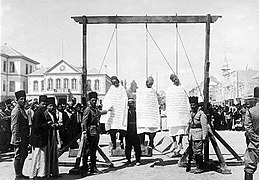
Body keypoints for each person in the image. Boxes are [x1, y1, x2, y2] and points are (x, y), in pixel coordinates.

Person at [81, 91, 112, 177]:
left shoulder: (95, 109)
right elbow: (84, 122)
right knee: (87, 151)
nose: (94, 102)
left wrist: (108, 110)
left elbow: (101, 112)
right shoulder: (88, 109)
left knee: (93, 150)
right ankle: (84, 168)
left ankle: (93, 167)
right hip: (89, 132)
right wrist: (84, 132)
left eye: (95, 100)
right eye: (92, 100)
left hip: (95, 132)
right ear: (89, 101)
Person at [166, 74, 190, 155]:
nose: (177, 80)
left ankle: (180, 143)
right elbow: (168, 101)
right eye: (174, 79)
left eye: (177, 78)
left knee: (181, 129)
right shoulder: (169, 89)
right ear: (172, 80)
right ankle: (174, 142)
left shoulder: (183, 88)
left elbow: (187, 98)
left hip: (181, 112)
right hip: (173, 112)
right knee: (173, 129)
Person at [29, 95, 51, 179]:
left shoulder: (42, 112)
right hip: (38, 139)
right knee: (36, 156)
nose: (44, 106)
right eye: (43, 104)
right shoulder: (38, 113)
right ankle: (33, 174)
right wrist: (47, 124)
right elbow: (36, 126)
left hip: (41, 138)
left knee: (42, 156)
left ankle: (41, 173)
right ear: (39, 104)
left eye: (45, 104)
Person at [186, 96, 208, 174]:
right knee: (194, 152)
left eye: (194, 104)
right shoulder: (191, 113)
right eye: (191, 105)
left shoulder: (201, 114)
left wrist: (204, 136)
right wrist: (188, 134)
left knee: (198, 152)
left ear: (197, 105)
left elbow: (204, 126)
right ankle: (197, 166)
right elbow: (189, 124)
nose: (192, 106)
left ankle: (200, 167)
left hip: (198, 135)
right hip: (192, 135)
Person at [11, 90, 29, 179]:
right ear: (17, 100)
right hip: (18, 138)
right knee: (18, 156)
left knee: (24, 154)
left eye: (24, 99)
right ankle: (18, 175)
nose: (23, 101)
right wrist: (17, 138)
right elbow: (14, 126)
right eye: (21, 99)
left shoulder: (22, 110)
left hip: (24, 137)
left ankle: (20, 173)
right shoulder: (16, 111)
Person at [139, 76, 159, 149]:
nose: (150, 85)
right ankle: (142, 143)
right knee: (142, 130)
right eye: (149, 83)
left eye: (152, 84)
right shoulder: (142, 90)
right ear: (146, 82)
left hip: (151, 114)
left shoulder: (153, 91)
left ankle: (151, 142)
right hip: (144, 114)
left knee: (152, 130)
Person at [244, 87, 259, 180]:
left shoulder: (251, 111)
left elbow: (248, 129)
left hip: (254, 144)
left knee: (249, 168)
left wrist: (256, 139)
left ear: (255, 98)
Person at [45, 97, 59, 178]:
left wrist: (56, 125)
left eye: (52, 106)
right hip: (48, 136)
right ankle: (47, 172)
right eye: (50, 106)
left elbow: (56, 122)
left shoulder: (53, 114)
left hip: (53, 135)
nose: (51, 107)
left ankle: (53, 172)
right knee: (48, 154)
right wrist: (50, 125)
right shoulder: (45, 114)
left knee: (54, 155)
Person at [125, 98, 141, 166]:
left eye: (132, 102)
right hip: (128, 132)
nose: (130, 104)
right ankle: (128, 160)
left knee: (137, 147)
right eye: (129, 103)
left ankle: (138, 160)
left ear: (134, 103)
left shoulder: (137, 111)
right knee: (128, 147)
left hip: (136, 131)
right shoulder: (126, 112)